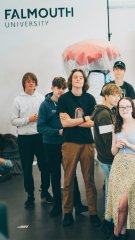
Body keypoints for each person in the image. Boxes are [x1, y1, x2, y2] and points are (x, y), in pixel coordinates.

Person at [37, 77, 88, 218]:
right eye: (58, 87)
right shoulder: (45, 105)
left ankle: (77, 204)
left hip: (67, 143)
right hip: (50, 145)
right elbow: (40, 127)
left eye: (63, 88)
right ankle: (57, 206)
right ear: (52, 88)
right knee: (55, 175)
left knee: (71, 174)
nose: (60, 91)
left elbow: (73, 122)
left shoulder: (67, 103)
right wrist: (57, 132)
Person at [57, 69, 101, 227]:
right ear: (71, 80)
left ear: (84, 81)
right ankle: (67, 212)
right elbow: (64, 123)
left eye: (81, 77)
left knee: (89, 180)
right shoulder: (63, 99)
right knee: (68, 180)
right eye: (75, 77)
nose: (78, 79)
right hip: (69, 143)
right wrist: (84, 118)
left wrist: (73, 121)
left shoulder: (90, 99)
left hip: (87, 143)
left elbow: (93, 122)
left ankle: (93, 212)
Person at [105, 97, 135, 239]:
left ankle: (115, 234)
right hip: (118, 165)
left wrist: (130, 145)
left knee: (122, 205)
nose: (124, 109)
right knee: (118, 203)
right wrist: (117, 146)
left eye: (127, 107)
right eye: (121, 107)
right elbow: (112, 152)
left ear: (132, 108)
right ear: (118, 110)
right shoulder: (116, 126)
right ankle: (122, 233)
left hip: (133, 165)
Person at [10, 72, 52, 208]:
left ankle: (45, 191)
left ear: (35, 83)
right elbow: (13, 120)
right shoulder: (17, 100)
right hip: (24, 139)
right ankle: (30, 195)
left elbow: (46, 117)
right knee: (27, 168)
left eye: (33, 81)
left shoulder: (41, 98)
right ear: (24, 83)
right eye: (28, 81)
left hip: (40, 137)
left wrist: (41, 119)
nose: (31, 83)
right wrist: (29, 119)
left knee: (45, 165)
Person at [91, 84, 121, 217]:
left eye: (118, 95)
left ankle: (110, 219)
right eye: (114, 95)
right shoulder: (104, 114)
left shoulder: (109, 111)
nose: (117, 98)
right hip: (108, 157)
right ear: (106, 96)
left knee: (111, 188)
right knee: (112, 190)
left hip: (107, 156)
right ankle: (110, 220)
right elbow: (108, 139)